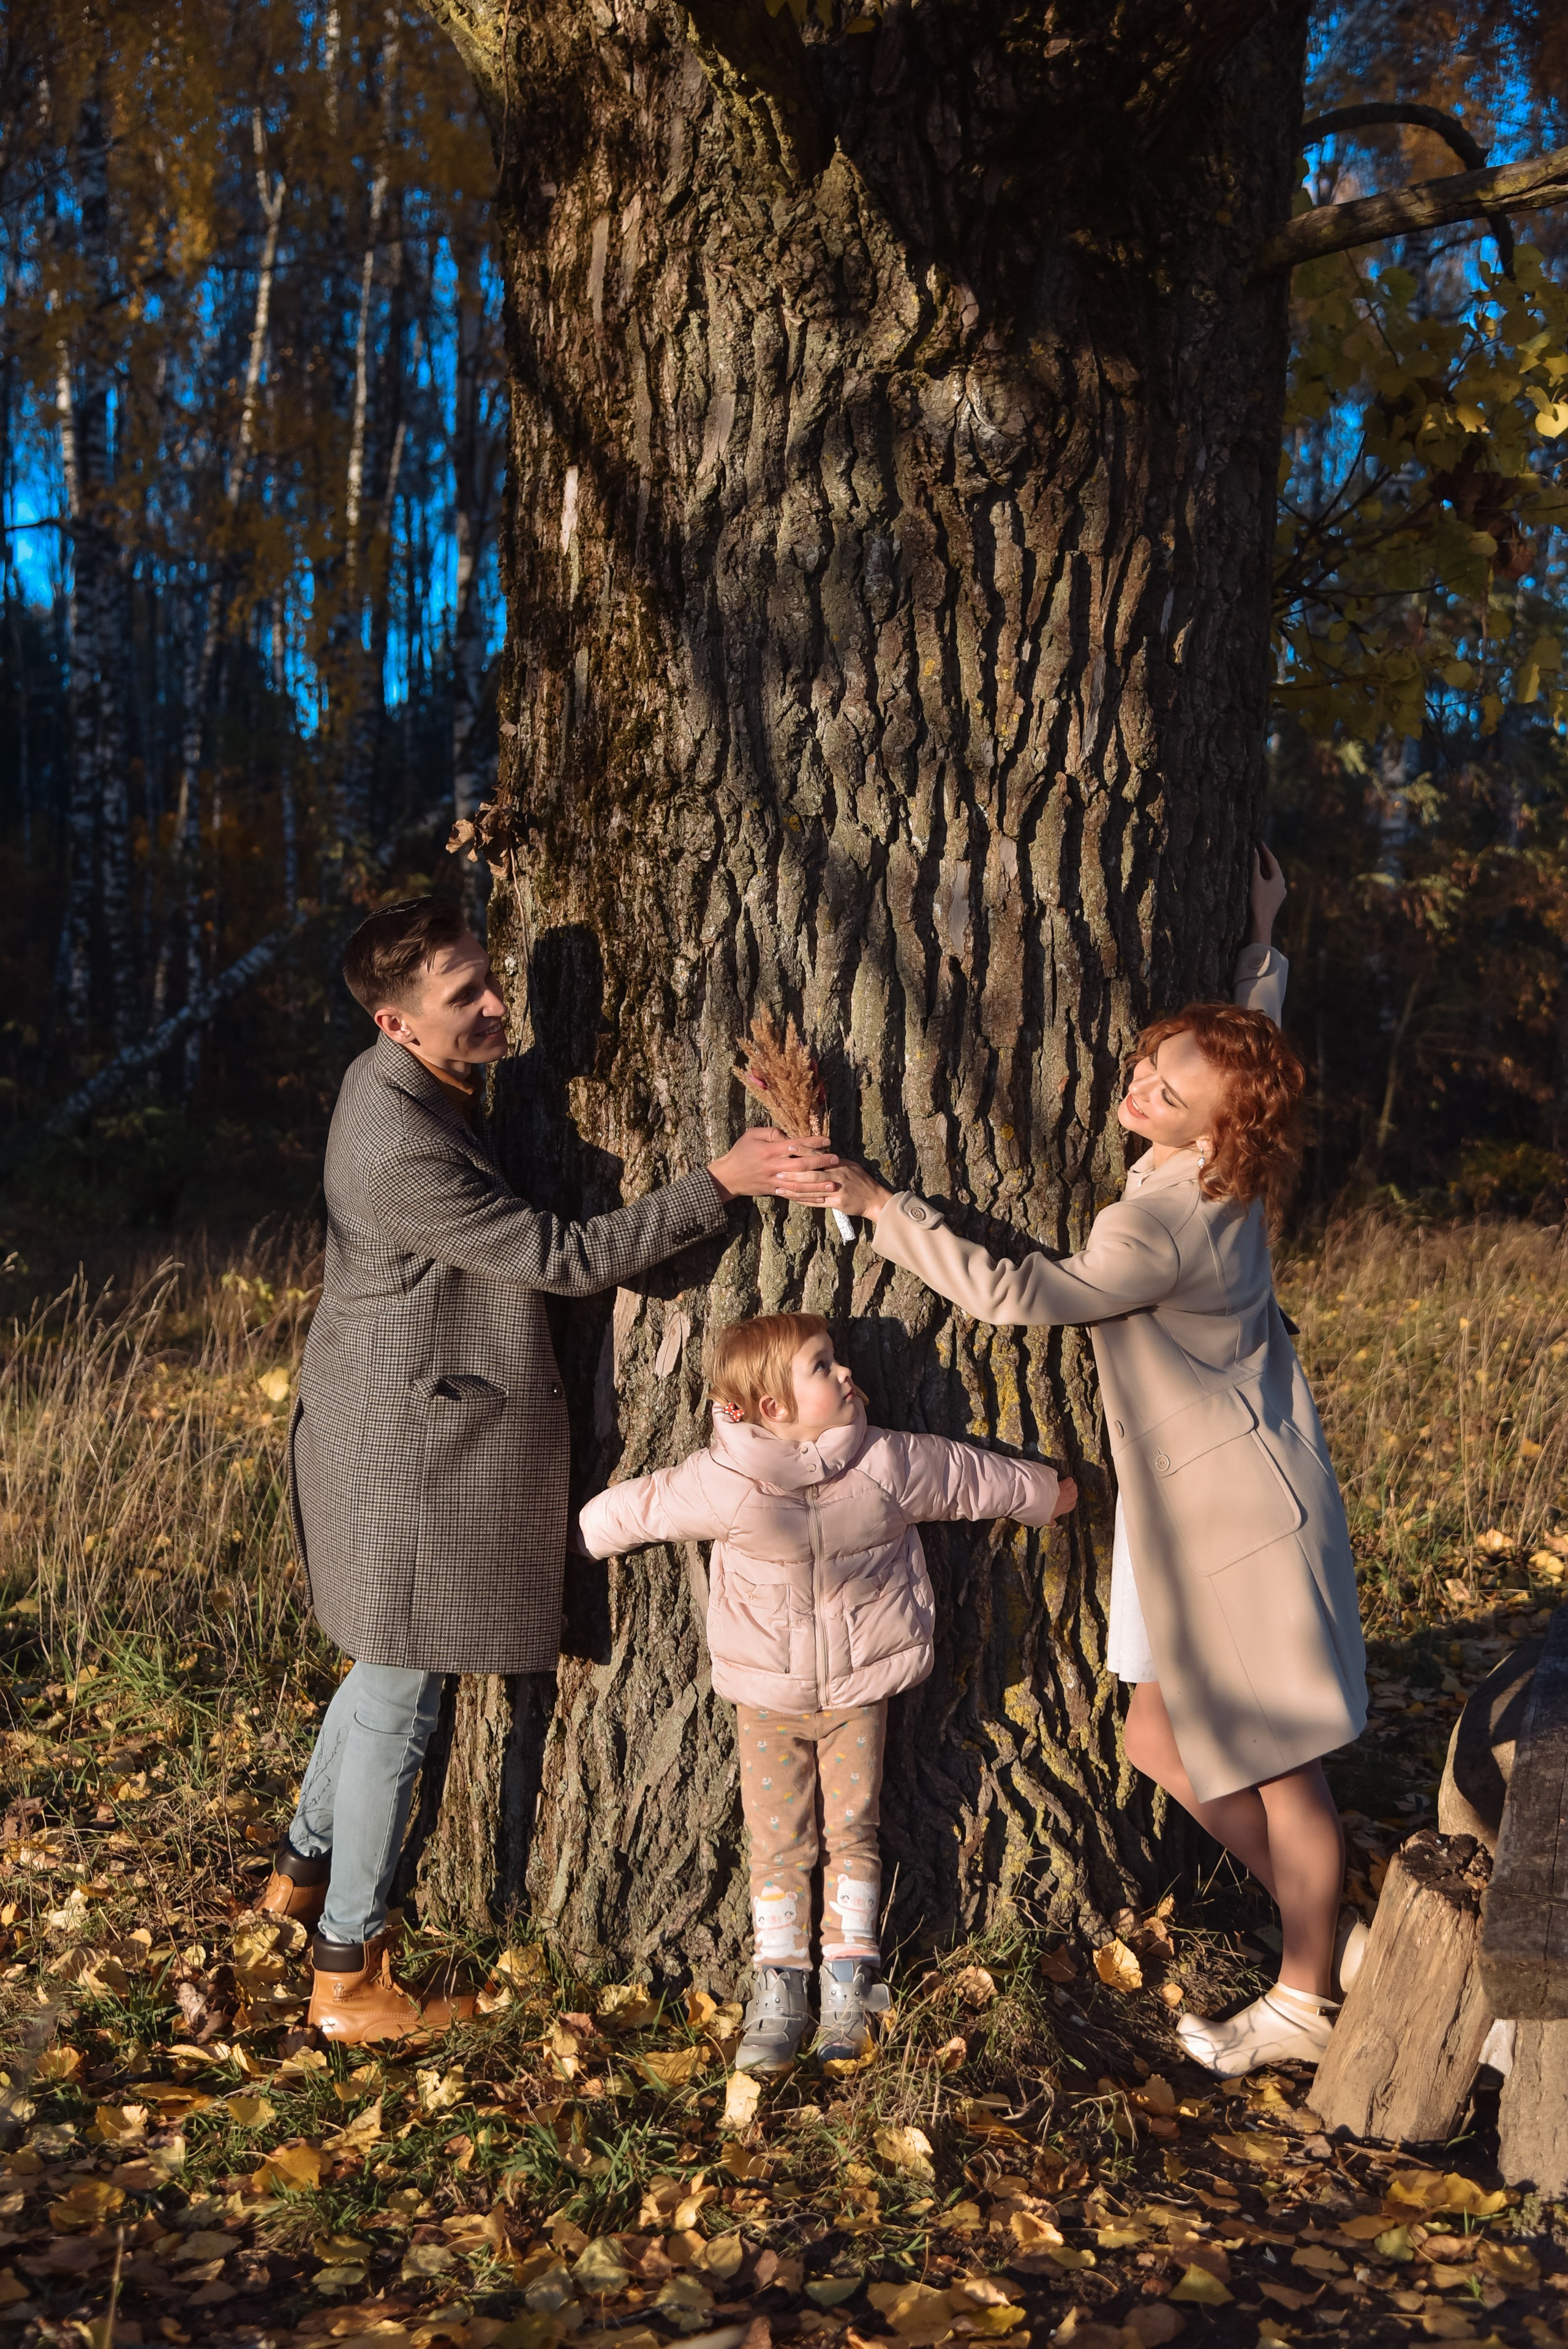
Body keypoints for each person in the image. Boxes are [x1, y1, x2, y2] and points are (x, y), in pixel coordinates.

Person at [810, 850, 1369, 2077]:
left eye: (1165, 1090)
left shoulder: (1162, 1221)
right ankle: (1329, 1942)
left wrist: (879, 1202)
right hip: (1187, 1512)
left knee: (1280, 1761)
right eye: (1146, 1069)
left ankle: (1302, 1999)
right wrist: (1260, 954)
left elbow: (1020, 1294)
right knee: (1154, 1746)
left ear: (1216, 1123)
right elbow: (1245, 1054)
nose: (1140, 1090)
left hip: (1235, 1519)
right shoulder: (1225, 1159)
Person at [267, 895, 837, 2043]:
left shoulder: (406, 1084)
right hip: (409, 1444)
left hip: (395, 1411)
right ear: (394, 1022)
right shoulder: (395, 1143)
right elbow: (561, 1260)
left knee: (383, 1666)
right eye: (463, 1000)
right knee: (401, 1693)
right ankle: (348, 1971)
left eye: (489, 977)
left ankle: (301, 1870)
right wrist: (719, 1183)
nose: (495, 1008)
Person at [577, 1311, 1077, 2071]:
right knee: (778, 1844)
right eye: (821, 1366)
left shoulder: (883, 1462)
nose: (845, 1374)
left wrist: (1043, 1494)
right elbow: (643, 1506)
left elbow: (968, 1475)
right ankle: (780, 1988)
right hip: (768, 1702)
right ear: (773, 1408)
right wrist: (570, 1539)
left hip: (856, 1696)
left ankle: (851, 1983)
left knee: (853, 1834)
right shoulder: (725, 1479)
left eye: (836, 1360)